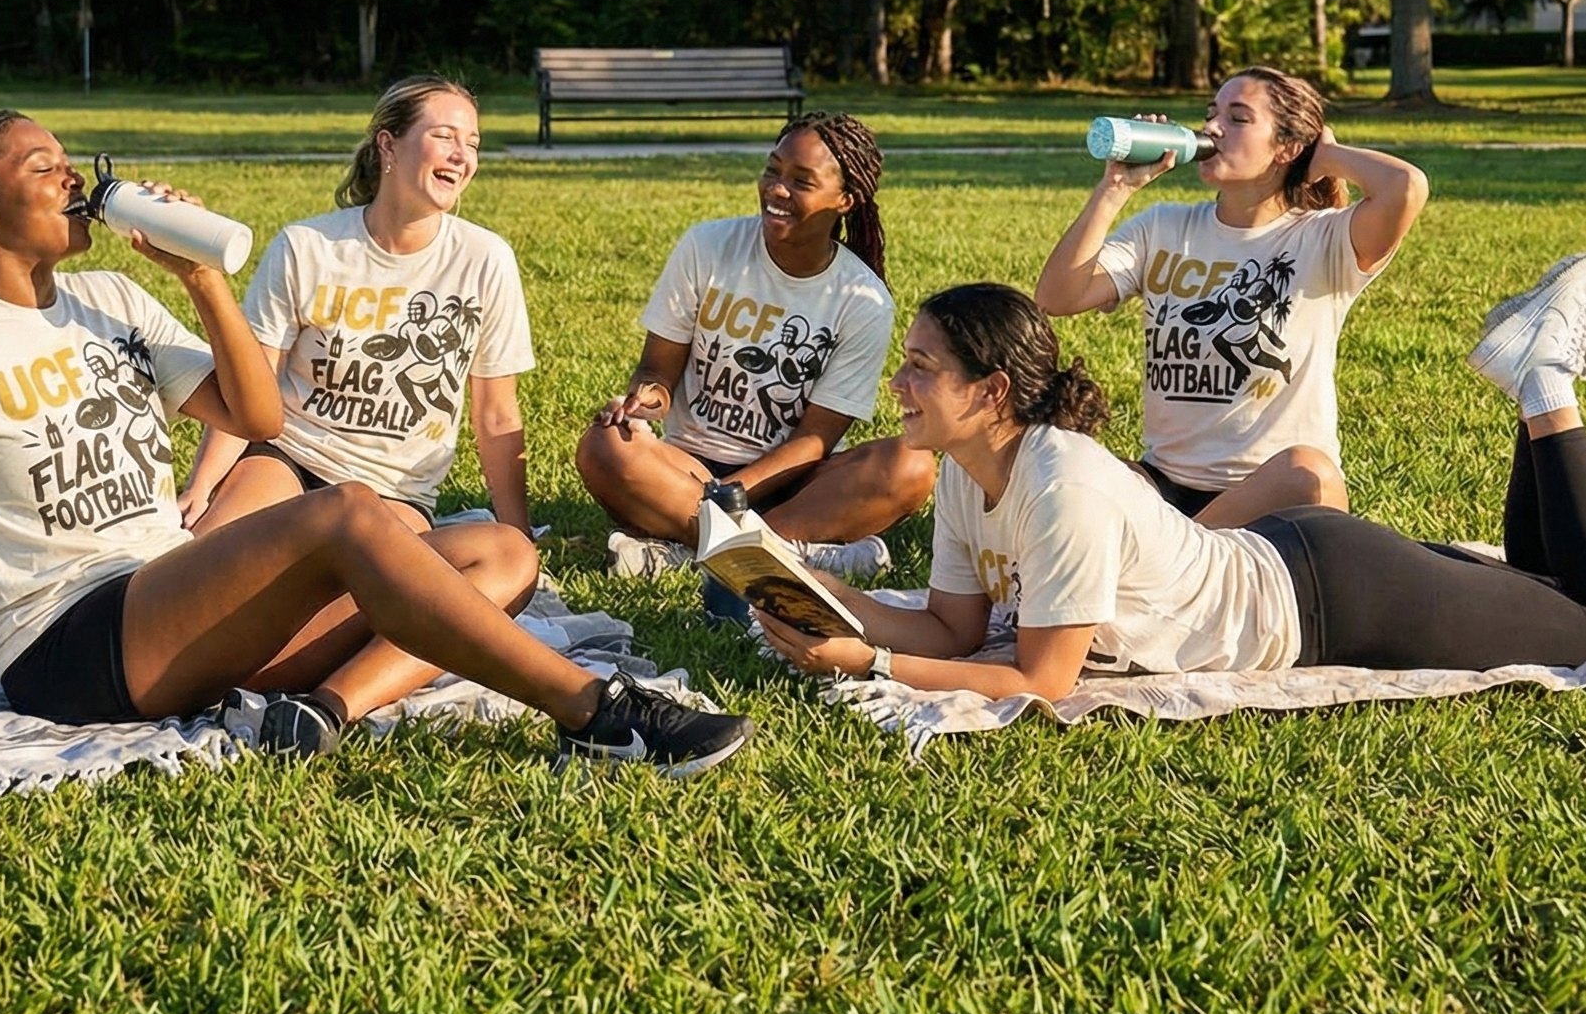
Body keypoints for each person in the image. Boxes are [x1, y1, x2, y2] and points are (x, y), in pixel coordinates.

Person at [0, 111, 751, 777]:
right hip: (73, 642)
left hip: (174, 603)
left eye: (65, 161)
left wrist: (201, 276)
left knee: (498, 550)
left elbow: (256, 418)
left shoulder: (112, 301)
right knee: (345, 516)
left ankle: (325, 711)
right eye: (42, 166)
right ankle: (596, 714)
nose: (70, 177)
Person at [759, 280, 1586, 702]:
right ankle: (1533, 389)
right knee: (1554, 591)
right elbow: (952, 628)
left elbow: (1042, 683)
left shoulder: (1060, 484)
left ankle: (1543, 381)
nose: (898, 384)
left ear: (991, 392)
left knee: (1580, 627)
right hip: (1292, 555)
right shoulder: (965, 471)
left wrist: (873, 664)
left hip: (1333, 597)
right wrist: (829, 598)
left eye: (921, 368)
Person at [178, 76, 541, 746]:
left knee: (421, 602)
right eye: (443, 136)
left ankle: (320, 709)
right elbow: (249, 383)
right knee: (199, 592)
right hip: (290, 457)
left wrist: (519, 532)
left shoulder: (484, 259)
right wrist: (202, 486)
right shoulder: (307, 247)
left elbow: (496, 415)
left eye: (473, 142)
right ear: (388, 146)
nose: (461, 154)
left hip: (392, 490)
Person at [1034, 66, 1429, 530]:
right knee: (1058, 462)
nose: (1212, 128)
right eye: (1211, 114)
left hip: (1269, 496)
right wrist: (1114, 189)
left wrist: (1330, 155)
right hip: (1164, 485)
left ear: (1287, 148)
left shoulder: (1325, 240)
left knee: (1310, 474)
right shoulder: (1162, 227)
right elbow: (1058, 295)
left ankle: (1178, 552)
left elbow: (1406, 188)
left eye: (1238, 119)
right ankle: (1189, 555)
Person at [576, 113, 931, 617]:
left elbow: (816, 439)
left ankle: (694, 550)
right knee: (604, 445)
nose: (777, 189)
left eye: (801, 181)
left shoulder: (863, 299)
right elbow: (657, 370)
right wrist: (643, 403)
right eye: (773, 170)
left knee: (912, 466)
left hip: (797, 484)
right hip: (689, 469)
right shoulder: (708, 246)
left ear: (845, 200)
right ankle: (787, 554)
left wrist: (736, 494)